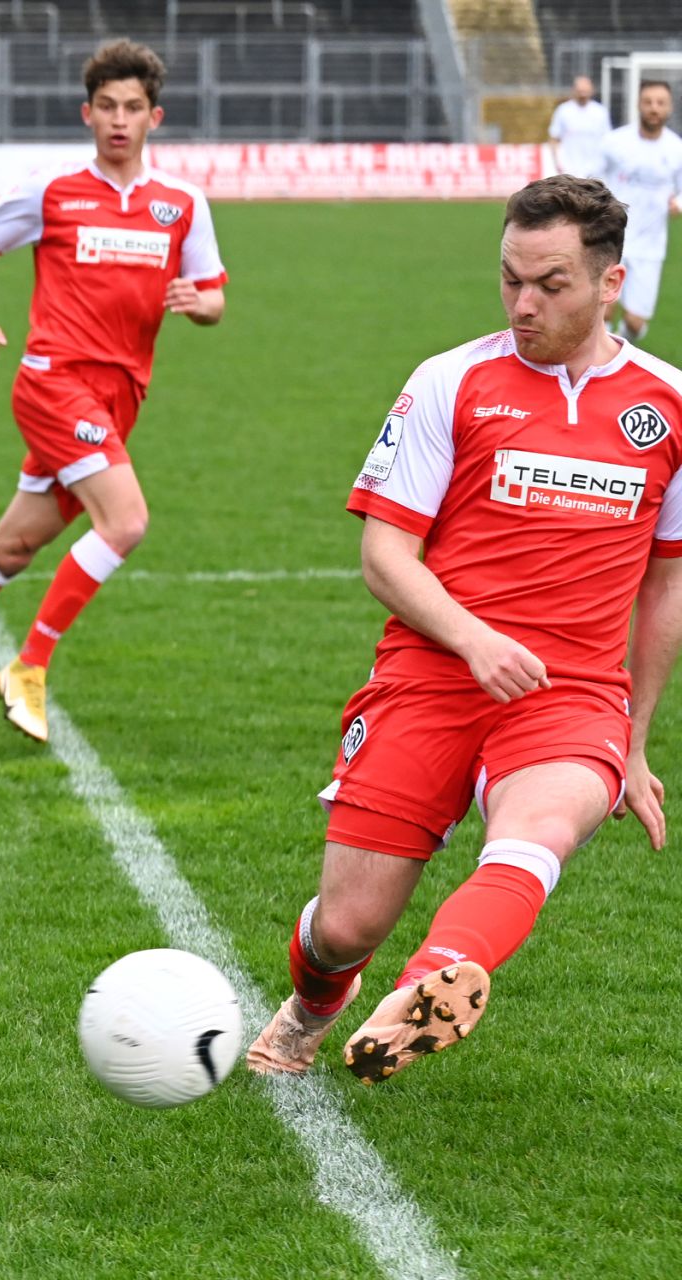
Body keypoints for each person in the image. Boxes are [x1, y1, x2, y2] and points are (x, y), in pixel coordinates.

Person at [245, 175, 682, 1085]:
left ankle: (422, 992)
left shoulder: (667, 407)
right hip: (433, 674)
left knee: (539, 830)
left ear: (611, 283)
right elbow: (385, 556)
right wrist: (475, 639)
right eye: (510, 279)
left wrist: (632, 742)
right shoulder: (452, 381)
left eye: (551, 284)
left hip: (572, 695)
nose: (524, 304)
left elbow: (666, 582)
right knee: (344, 925)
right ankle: (315, 1004)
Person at [0, 39, 227, 743]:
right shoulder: (54, 191)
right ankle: (29, 667)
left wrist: (199, 302)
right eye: (106, 107)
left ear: (155, 117)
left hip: (120, 399)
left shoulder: (181, 204)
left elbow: (215, 295)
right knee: (124, 522)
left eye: (132, 108)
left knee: (11, 551)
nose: (119, 120)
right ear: (86, 114)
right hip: (53, 384)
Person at [598, 81, 682, 343]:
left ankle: (620, 347)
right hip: (611, 238)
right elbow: (592, 176)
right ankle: (601, 363)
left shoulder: (676, 148)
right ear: (638, 105)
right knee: (603, 308)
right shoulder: (615, 142)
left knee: (635, 322)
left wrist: (678, 204)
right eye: (648, 102)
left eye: (660, 103)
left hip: (651, 244)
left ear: (669, 108)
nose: (653, 108)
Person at [549, 75, 610, 179]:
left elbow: (607, 140)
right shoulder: (563, 110)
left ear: (592, 90)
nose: (582, 94)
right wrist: (557, 163)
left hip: (594, 171)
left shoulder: (600, 112)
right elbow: (554, 138)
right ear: (574, 90)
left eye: (585, 91)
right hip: (569, 169)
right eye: (580, 91)